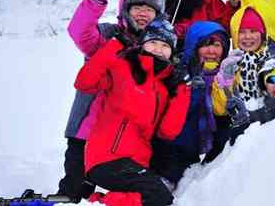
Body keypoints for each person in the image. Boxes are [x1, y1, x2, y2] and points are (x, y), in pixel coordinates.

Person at [58, 0, 166, 203]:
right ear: (125, 9)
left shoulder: (156, 49)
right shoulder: (107, 36)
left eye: (150, 9)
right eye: (138, 6)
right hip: (86, 132)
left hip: (121, 141)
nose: (143, 13)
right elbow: (80, 31)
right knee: (74, 190)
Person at [75, 17, 191, 206]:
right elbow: (84, 82)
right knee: (160, 197)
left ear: (172, 51)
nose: (158, 48)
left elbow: (168, 131)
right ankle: (100, 203)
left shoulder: (163, 88)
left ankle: (99, 201)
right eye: (153, 42)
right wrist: (114, 45)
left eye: (165, 45)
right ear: (142, 44)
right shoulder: (123, 67)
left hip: (137, 164)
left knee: (159, 197)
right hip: (107, 157)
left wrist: (183, 89)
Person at [149, 21, 230, 189]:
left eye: (217, 45)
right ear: (194, 46)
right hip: (169, 149)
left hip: (196, 151)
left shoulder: (225, 75)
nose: (212, 51)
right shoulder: (177, 71)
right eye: (205, 44)